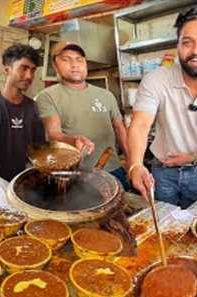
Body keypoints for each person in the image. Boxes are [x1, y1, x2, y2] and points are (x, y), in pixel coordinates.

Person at [128, 5, 197, 208]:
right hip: (161, 170)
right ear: (178, 47)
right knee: (163, 223)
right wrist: (136, 164)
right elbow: (140, 125)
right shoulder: (155, 79)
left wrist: (192, 156)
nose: (196, 50)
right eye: (187, 42)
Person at [35, 42, 129, 188]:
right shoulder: (47, 96)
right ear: (55, 65)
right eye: (66, 59)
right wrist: (74, 140)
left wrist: (132, 162)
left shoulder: (106, 95)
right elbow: (54, 133)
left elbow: (120, 128)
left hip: (112, 170)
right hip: (74, 173)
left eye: (79, 59)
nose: (74, 64)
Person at [0, 44, 46, 181]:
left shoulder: (34, 108)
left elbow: (39, 150)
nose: (29, 76)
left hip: (26, 184)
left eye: (33, 70)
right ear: (8, 69)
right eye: (23, 68)